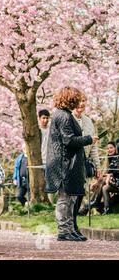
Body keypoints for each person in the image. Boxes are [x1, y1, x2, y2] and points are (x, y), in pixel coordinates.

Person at [45, 87, 98, 241]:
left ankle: (69, 229)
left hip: (68, 164)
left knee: (71, 198)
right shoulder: (63, 116)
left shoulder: (64, 115)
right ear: (69, 98)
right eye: (75, 98)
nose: (77, 101)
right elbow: (68, 140)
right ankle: (64, 231)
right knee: (65, 198)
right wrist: (89, 139)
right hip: (63, 165)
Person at [71, 93, 101, 240]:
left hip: (83, 161)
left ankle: (74, 225)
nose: (81, 104)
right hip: (71, 162)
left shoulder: (88, 121)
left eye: (84, 101)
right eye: (79, 101)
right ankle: (68, 226)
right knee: (71, 195)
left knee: (80, 194)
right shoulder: (68, 119)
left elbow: (93, 146)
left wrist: (98, 166)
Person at [102, 141, 119, 215]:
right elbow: (108, 173)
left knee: (104, 185)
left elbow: (113, 172)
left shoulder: (117, 157)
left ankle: (93, 204)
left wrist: (109, 176)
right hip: (115, 181)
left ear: (116, 148)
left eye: (111, 148)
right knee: (104, 186)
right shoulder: (110, 158)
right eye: (108, 148)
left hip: (117, 182)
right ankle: (107, 209)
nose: (109, 150)